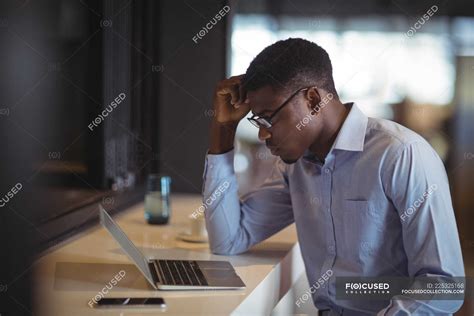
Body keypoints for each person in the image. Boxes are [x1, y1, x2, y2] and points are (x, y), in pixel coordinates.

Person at [202, 38, 464, 315]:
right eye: (258, 121)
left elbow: (444, 286)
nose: (263, 134)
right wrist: (224, 128)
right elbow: (228, 239)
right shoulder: (296, 167)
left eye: (269, 118)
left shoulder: (400, 155)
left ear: (313, 100)